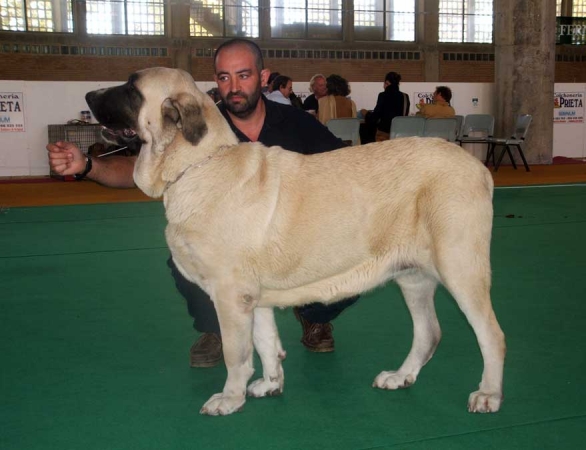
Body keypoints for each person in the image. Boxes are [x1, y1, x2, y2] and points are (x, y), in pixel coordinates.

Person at [47, 38, 359, 368]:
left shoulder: (299, 123)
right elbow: (142, 170)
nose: (234, 87)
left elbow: (339, 167)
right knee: (188, 255)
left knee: (353, 252)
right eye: (224, 77)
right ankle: (217, 328)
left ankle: (313, 315)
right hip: (222, 243)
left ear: (263, 77)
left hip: (287, 242)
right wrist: (87, 166)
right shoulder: (194, 123)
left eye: (244, 75)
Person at [363, 71, 410, 142]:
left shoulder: (383, 95)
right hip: (399, 135)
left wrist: (366, 113)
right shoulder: (405, 96)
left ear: (387, 82)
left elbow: (375, 117)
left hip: (384, 134)